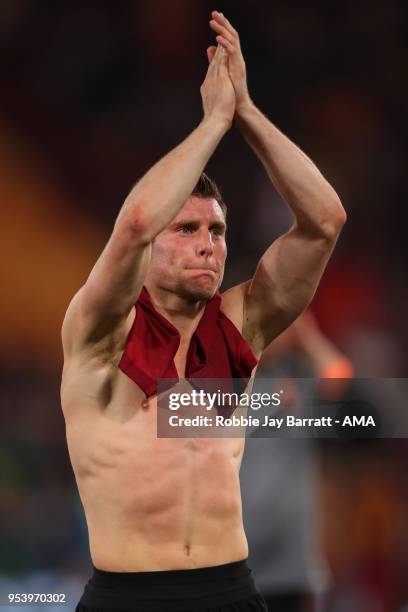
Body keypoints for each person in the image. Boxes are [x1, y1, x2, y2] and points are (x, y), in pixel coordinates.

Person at [61, 11, 346, 612]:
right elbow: (137, 222)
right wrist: (213, 121)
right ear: (152, 249)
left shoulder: (241, 323)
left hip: (233, 589)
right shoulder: (101, 331)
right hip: (128, 594)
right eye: (186, 228)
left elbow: (324, 221)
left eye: (216, 230)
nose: (207, 243)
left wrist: (245, 112)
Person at [240, 310, 353, 612]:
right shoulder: (221, 381)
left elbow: (346, 387)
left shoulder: (301, 378)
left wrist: (309, 339)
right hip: (233, 564)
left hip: (292, 565)